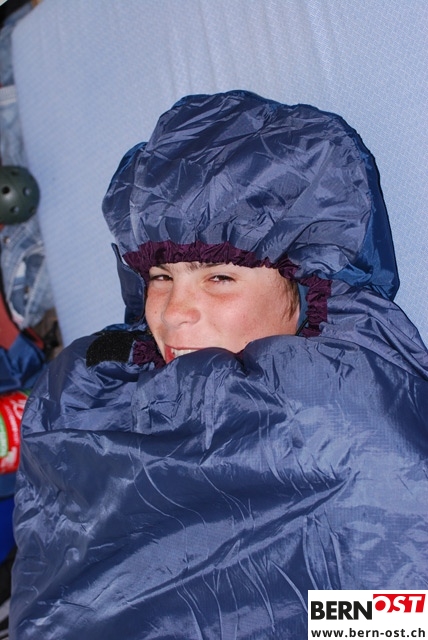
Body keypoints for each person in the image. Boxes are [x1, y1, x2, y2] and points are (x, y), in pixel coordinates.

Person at [9, 91, 428, 639]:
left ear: (305, 281)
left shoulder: (338, 413)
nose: (173, 312)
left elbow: (395, 605)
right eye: (161, 278)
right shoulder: (93, 384)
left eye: (219, 278)